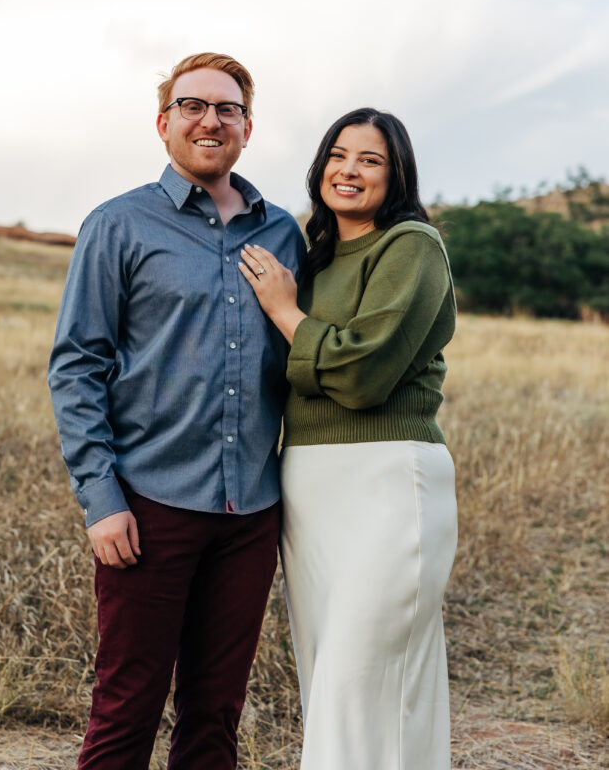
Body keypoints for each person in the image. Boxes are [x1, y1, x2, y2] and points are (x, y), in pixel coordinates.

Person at [48, 52, 306, 770]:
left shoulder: (282, 233)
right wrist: (101, 500)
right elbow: (76, 367)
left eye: (226, 109)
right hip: (149, 505)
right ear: (164, 123)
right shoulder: (118, 225)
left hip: (250, 512)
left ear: (247, 129)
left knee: (216, 715)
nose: (209, 120)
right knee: (127, 706)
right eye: (192, 105)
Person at [239, 107, 458, 770]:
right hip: (308, 484)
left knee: (358, 677)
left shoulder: (411, 246)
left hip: (388, 481)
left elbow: (362, 375)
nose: (349, 170)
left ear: (396, 176)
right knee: (339, 681)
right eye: (338, 154)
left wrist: (283, 311)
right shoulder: (314, 259)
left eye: (370, 159)